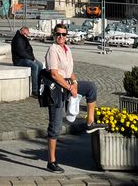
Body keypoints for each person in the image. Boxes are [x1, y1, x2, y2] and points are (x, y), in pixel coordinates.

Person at [44, 23, 104, 173]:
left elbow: (70, 71)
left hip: (68, 83)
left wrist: (75, 83)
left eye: (63, 34)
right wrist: (70, 87)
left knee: (91, 88)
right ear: (54, 34)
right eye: (58, 34)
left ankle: (90, 122)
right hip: (56, 88)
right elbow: (54, 74)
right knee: (55, 126)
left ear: (67, 36)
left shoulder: (67, 49)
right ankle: (51, 161)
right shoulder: (53, 49)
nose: (61, 37)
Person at [11, 26, 41, 96]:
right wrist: (31, 59)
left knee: (40, 65)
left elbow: (28, 50)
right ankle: (35, 90)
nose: (26, 35)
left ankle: (39, 86)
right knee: (35, 66)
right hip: (18, 60)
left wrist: (33, 58)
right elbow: (21, 52)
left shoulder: (23, 38)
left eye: (27, 34)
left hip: (25, 58)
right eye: (25, 34)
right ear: (21, 31)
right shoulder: (18, 39)